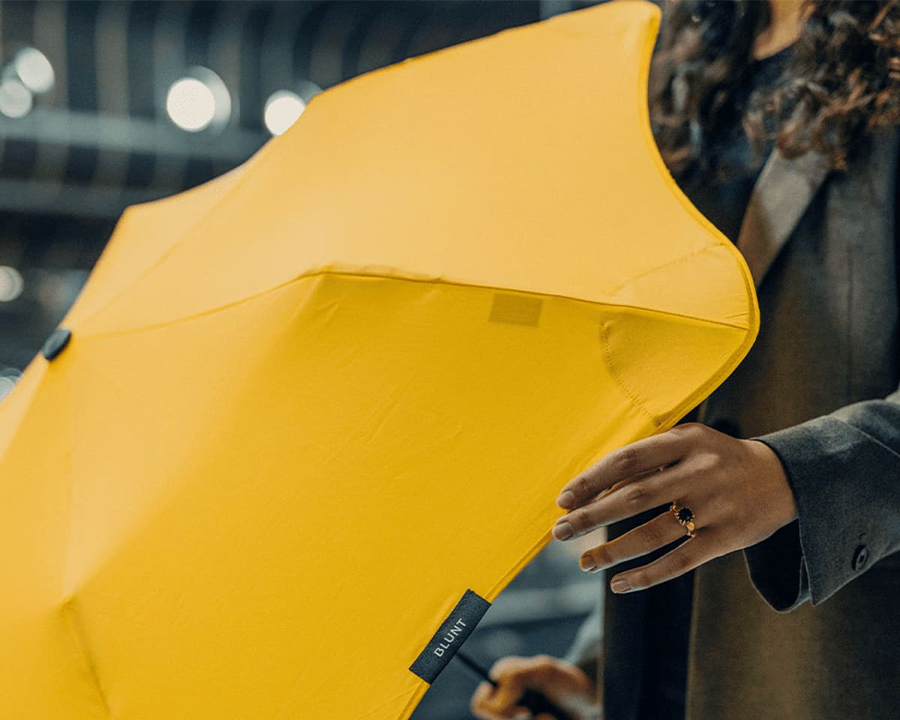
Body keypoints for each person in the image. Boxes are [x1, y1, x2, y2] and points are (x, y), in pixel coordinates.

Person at [471, 1, 900, 719]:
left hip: (841, 664)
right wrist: (597, 672)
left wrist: (798, 474)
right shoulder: (680, 75)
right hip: (666, 671)